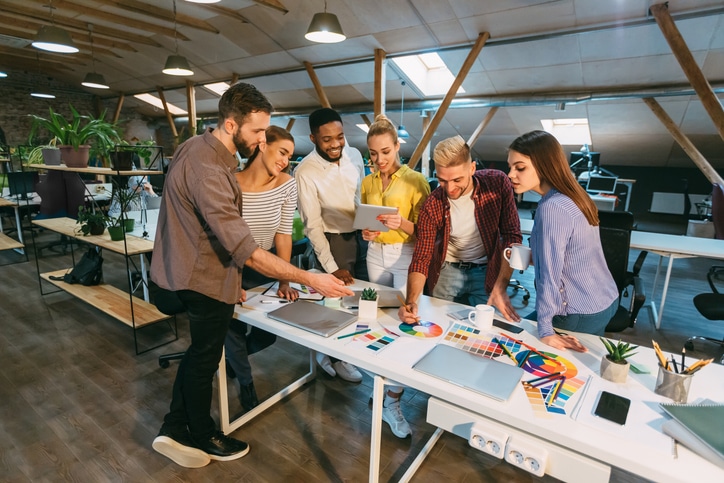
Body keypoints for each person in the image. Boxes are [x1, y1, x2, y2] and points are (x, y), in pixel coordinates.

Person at [150, 82, 352, 469]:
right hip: (199, 279)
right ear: (231, 124)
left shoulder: (195, 146)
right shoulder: (210, 168)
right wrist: (311, 279)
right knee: (204, 360)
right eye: (257, 131)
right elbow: (245, 249)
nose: (262, 140)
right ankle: (203, 433)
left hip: (189, 271)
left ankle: (174, 426)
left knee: (199, 356)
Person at [507, 130, 618, 351]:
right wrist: (531, 256)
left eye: (520, 168)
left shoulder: (552, 208)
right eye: (510, 167)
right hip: (603, 301)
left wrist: (546, 330)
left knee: (519, 347)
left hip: (575, 310)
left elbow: (550, 274)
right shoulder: (574, 195)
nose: (510, 174)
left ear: (544, 165)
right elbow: (570, 255)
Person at [399, 135, 522, 324]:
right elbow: (421, 257)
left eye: (457, 179)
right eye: (442, 180)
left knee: (484, 329)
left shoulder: (497, 183)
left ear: (472, 168)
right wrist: (411, 301)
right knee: (436, 324)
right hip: (448, 271)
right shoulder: (432, 204)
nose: (449, 188)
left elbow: (511, 235)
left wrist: (501, 285)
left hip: (487, 269)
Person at [360, 114, 430, 438]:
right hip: (375, 255)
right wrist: (369, 233)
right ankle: (380, 380)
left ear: (398, 145)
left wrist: (401, 224)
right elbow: (367, 220)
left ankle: (392, 400)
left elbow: (426, 234)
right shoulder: (367, 182)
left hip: (406, 258)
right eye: (373, 153)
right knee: (376, 321)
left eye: (385, 151)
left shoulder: (416, 181)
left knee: (406, 325)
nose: (379, 160)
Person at [225, 125, 299, 413]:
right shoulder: (230, 182)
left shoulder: (287, 183)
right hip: (229, 265)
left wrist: (284, 278)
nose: (285, 160)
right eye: (282, 152)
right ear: (262, 145)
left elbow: (283, 233)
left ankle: (233, 358)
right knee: (232, 326)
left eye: (289, 156)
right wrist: (232, 281)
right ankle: (245, 381)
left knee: (268, 331)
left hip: (264, 263)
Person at [295, 107, 365, 383]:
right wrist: (332, 267)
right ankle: (334, 357)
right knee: (334, 306)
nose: (336, 144)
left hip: (361, 238)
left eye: (340, 136)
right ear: (313, 138)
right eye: (327, 139)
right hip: (334, 242)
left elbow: (360, 196)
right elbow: (312, 225)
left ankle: (340, 352)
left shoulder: (355, 155)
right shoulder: (305, 171)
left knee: (358, 303)